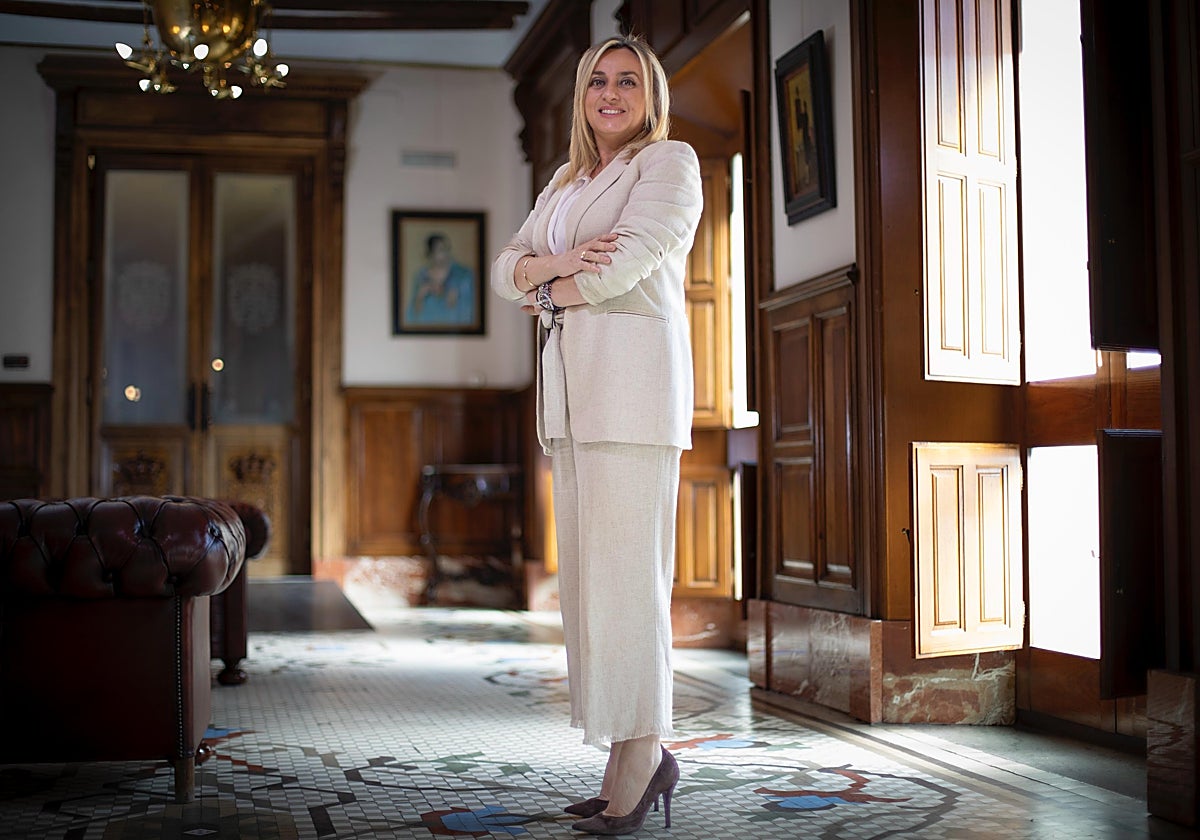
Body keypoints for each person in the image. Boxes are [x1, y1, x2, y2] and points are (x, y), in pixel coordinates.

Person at [490, 34, 702, 836]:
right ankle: (626, 752)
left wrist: (547, 280)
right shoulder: (566, 179)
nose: (611, 94)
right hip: (574, 400)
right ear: (582, 95)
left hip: (635, 395)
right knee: (591, 591)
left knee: (629, 585)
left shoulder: (669, 163)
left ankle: (645, 756)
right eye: (598, 82)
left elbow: (617, 271)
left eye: (628, 82)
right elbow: (507, 265)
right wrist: (556, 267)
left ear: (650, 94)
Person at [405, 233, 475, 326]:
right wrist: (420, 297)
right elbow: (411, 316)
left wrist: (456, 299)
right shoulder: (420, 277)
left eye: (447, 249)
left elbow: (469, 313)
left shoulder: (463, 276)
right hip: (426, 332)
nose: (445, 254)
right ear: (430, 253)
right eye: (440, 250)